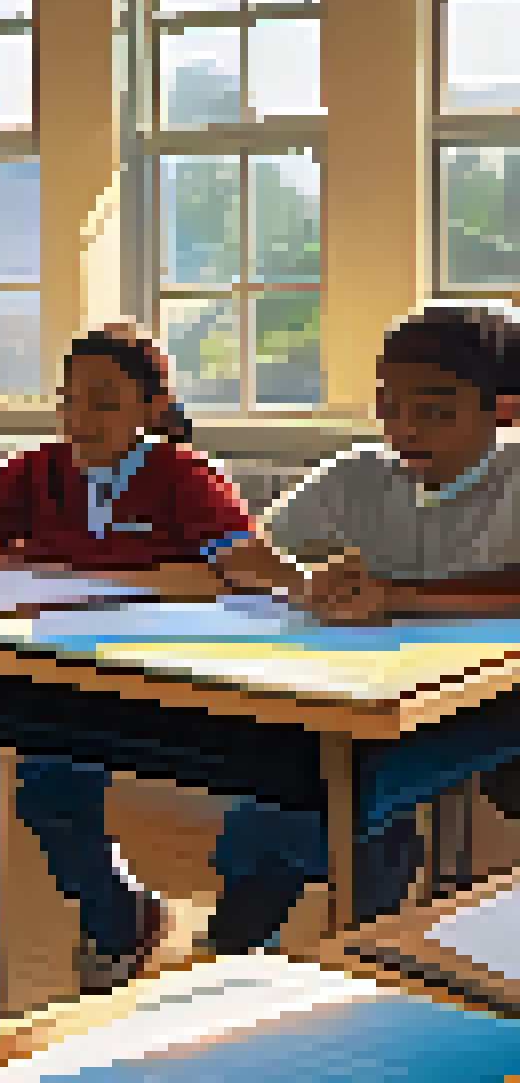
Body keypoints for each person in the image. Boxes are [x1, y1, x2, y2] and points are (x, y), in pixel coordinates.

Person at [0, 324, 255, 991]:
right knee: (45, 797)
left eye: (102, 401)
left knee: (255, 823)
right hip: (64, 667)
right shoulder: (37, 469)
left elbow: (236, 565)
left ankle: (218, 951)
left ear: (151, 408)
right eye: (69, 401)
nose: (79, 419)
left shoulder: (183, 474)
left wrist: (57, 563)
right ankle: (120, 917)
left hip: (166, 674)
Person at [202, 304, 520, 955]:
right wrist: (299, 579)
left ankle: (360, 955)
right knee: (287, 797)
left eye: (436, 411)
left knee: (353, 800)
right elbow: (240, 553)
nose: (406, 429)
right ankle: (231, 962)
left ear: (503, 410)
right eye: (391, 406)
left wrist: (397, 596)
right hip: (368, 702)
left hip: (492, 706)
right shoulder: (357, 475)